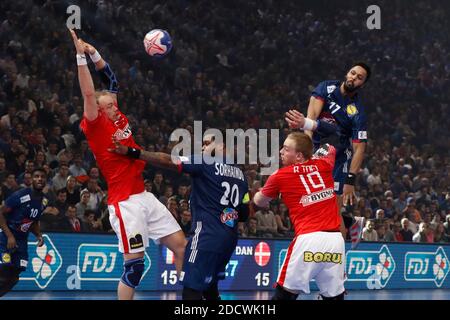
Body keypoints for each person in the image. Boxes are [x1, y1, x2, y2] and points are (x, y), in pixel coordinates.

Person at [69, 29, 186, 300]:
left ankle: (188, 299)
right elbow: (88, 93)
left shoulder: (117, 115)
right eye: (107, 105)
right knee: (134, 268)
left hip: (143, 196)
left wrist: (93, 51)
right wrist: (79, 56)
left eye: (112, 104)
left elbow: (109, 76)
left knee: (181, 246)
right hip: (124, 203)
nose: (113, 106)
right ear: (98, 109)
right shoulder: (95, 124)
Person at [109, 133, 249, 300]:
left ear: (222, 146)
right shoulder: (241, 175)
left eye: (207, 143)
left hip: (206, 237)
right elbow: (244, 214)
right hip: (229, 240)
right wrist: (226, 212)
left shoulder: (204, 162)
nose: (203, 147)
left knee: (191, 290)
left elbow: (168, 160)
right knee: (210, 289)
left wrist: (133, 152)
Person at [285, 62, 371, 248]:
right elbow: (311, 118)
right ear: (347, 72)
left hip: (338, 158)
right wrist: (307, 152)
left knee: (333, 210)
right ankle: (350, 223)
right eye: (352, 73)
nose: (353, 78)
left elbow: (359, 149)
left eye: (359, 78)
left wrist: (350, 180)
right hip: (315, 150)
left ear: (362, 84)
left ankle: (338, 259)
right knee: (309, 202)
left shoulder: (358, 113)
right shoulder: (326, 87)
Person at [254, 133, 345, 300]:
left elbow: (259, 201)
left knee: (284, 295)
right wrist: (309, 131)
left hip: (308, 240)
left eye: (286, 149)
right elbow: (330, 147)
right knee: (334, 297)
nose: (281, 151)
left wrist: (261, 192)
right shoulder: (324, 164)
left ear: (298, 156)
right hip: (335, 242)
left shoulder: (279, 175)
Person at [0, 168, 48, 297]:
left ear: (46, 180)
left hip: (21, 241)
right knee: (4, 270)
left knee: (14, 278)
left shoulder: (44, 201)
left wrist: (38, 235)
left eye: (42, 177)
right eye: (36, 176)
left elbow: (33, 221)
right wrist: (9, 236)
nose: (39, 179)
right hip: (6, 237)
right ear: (31, 179)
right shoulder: (20, 195)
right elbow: (1, 213)